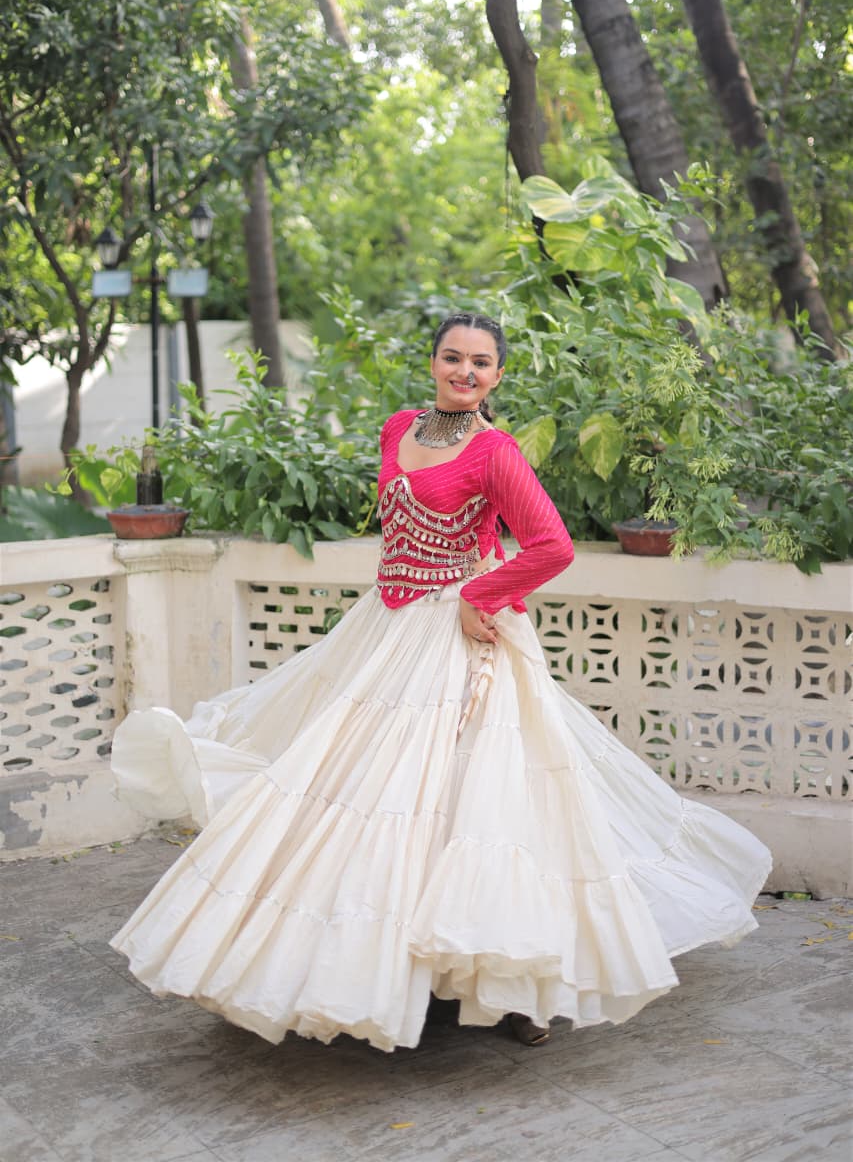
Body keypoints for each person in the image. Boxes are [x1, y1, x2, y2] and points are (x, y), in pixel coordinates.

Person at [109, 312, 771, 1053]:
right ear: (432, 363)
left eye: (481, 363)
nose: (465, 372)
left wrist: (478, 595)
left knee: (488, 801)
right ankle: (396, 965)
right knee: (373, 791)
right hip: (387, 625)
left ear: (497, 375)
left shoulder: (495, 451)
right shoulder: (398, 428)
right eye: (453, 357)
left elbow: (551, 546)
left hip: (464, 631)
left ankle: (518, 980)